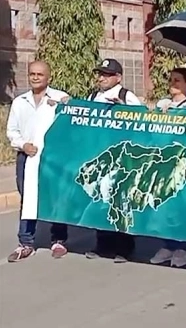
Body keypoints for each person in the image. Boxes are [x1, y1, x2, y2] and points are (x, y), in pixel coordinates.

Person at [6, 61, 70, 262]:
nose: (35, 77)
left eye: (39, 74)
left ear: (48, 77)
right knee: (27, 198)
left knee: (55, 197)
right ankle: (26, 243)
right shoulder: (19, 102)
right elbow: (12, 131)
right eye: (32, 74)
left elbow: (73, 120)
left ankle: (58, 240)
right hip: (27, 156)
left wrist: (65, 105)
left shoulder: (60, 98)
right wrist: (23, 145)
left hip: (52, 158)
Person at [85, 58, 142, 263]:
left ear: (118, 77)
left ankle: (124, 247)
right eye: (100, 74)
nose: (101, 78)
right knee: (100, 198)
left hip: (122, 159)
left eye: (106, 75)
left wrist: (125, 111)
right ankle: (103, 243)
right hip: (99, 157)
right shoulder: (92, 96)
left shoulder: (126, 96)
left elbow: (142, 122)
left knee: (121, 200)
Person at [149, 68, 186, 268]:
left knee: (182, 204)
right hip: (164, 160)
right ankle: (168, 245)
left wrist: (172, 116)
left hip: (184, 161)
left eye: (178, 80)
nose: (173, 83)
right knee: (166, 204)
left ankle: (184, 247)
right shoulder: (163, 103)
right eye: (171, 79)